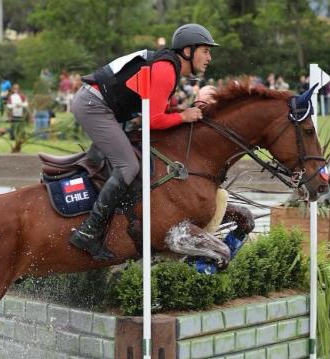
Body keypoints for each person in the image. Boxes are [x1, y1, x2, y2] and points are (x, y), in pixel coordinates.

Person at [68, 23, 218, 260]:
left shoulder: (170, 67)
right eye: (205, 50)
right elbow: (154, 120)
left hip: (101, 105)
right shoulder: (167, 69)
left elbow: (158, 110)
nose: (209, 57)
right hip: (94, 106)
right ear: (188, 50)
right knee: (128, 166)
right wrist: (183, 115)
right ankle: (89, 231)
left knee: (126, 160)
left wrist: (182, 112)